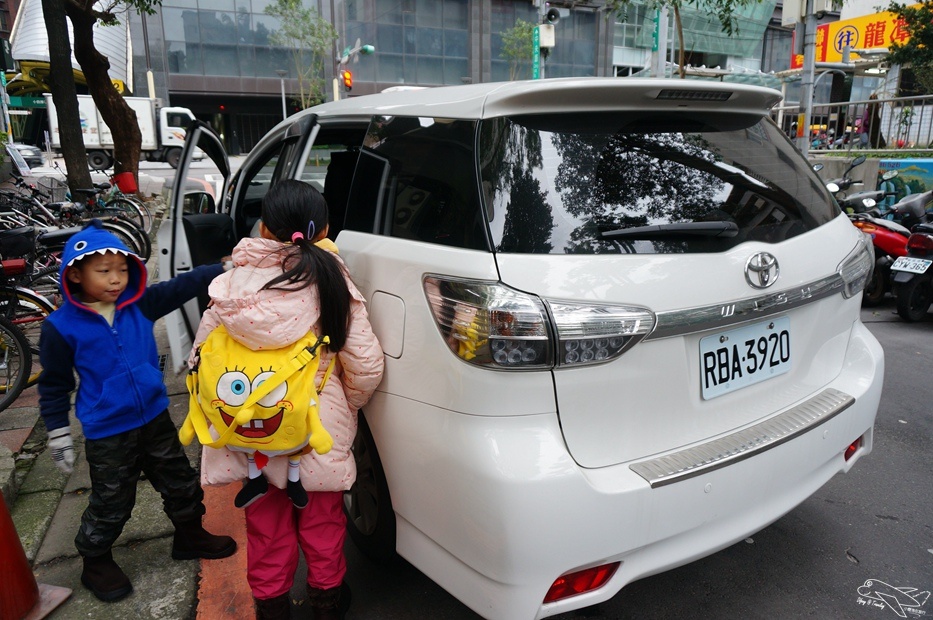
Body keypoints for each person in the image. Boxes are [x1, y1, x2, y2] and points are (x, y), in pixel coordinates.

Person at [191, 179, 384, 620]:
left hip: (249, 432)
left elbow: (199, 361)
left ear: (263, 230)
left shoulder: (228, 288)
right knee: (323, 522)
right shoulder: (333, 283)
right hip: (316, 430)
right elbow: (367, 364)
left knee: (265, 526)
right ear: (326, 228)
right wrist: (345, 406)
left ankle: (272, 607)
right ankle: (326, 601)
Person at [38, 219, 238, 602]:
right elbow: (54, 385)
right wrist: (58, 432)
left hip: (153, 415)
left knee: (179, 479)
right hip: (107, 430)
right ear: (75, 274)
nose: (115, 279)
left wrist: (224, 268)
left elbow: (182, 285)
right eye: (104, 271)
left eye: (123, 269)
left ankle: (189, 535)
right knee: (113, 500)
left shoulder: (138, 304)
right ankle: (95, 559)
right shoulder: (60, 328)